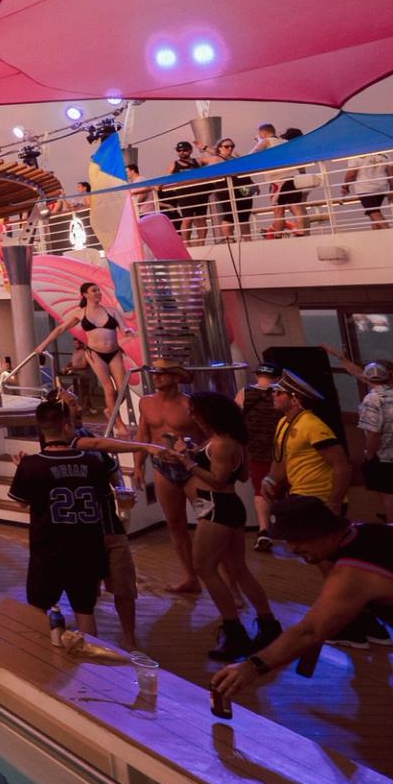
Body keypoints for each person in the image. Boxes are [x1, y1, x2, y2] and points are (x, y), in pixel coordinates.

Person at [212, 495, 393, 704]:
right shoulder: (364, 532)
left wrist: (252, 667)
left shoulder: (352, 573)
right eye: (287, 540)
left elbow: (310, 631)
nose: (292, 548)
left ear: (323, 529)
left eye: (298, 537)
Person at [177, 391, 281, 660]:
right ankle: (268, 624)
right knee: (238, 569)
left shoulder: (221, 443)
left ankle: (234, 631)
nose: (193, 418)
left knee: (204, 567)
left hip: (217, 508)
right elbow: (243, 475)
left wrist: (188, 463)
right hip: (230, 506)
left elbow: (218, 479)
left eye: (196, 413)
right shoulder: (234, 441)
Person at [8, 399, 116, 636]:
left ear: (40, 428)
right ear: (66, 426)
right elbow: (104, 497)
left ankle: (38, 654)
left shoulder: (31, 465)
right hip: (87, 549)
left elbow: (22, 501)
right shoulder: (91, 462)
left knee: (38, 609)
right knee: (85, 611)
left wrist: (21, 469)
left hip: (48, 551)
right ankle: (90, 656)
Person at [28, 282, 136, 433]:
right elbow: (61, 328)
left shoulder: (112, 311)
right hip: (95, 353)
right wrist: (43, 344)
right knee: (109, 389)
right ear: (85, 294)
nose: (98, 293)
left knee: (123, 389)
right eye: (94, 291)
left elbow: (123, 329)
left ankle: (109, 410)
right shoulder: (80, 313)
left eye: (99, 290)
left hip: (114, 352)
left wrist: (128, 331)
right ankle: (118, 423)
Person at [134, 362, 203, 595]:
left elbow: (210, 436)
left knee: (211, 524)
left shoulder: (190, 404)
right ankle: (190, 577)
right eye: (155, 373)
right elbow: (143, 435)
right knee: (175, 523)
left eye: (163, 373)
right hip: (163, 467)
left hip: (192, 468)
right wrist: (138, 465)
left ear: (176, 377)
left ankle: (231, 585)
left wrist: (195, 450)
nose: (157, 377)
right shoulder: (146, 402)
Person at [262, 370, 349, 515]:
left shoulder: (312, 425)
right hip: (300, 495)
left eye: (279, 392)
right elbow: (281, 459)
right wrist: (270, 480)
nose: (273, 395)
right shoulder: (283, 422)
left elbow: (341, 466)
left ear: (295, 399)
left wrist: (335, 502)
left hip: (320, 499)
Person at [240, 363, 282, 552]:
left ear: (257, 375)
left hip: (256, 449)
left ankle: (264, 530)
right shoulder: (283, 393)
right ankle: (290, 527)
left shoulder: (245, 393)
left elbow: (235, 417)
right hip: (283, 448)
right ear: (278, 377)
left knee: (261, 490)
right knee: (291, 487)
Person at [357, 359, 393, 524]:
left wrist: (369, 454)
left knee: (388, 492)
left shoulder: (372, 399)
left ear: (366, 378)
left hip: (384, 455)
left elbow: (373, 432)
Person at [345, 152, 393, 230]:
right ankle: (377, 235)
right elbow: (392, 174)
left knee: (374, 213)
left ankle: (390, 232)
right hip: (381, 188)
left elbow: (351, 174)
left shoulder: (355, 156)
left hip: (365, 188)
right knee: (373, 214)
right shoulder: (385, 155)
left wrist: (345, 187)